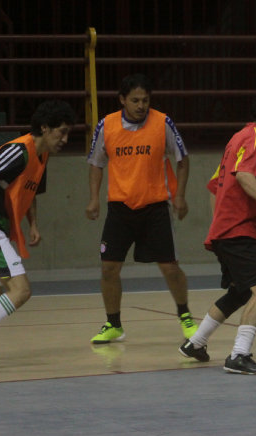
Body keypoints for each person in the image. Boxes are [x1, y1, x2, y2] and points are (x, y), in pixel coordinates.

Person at [0, 100, 76, 372]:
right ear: (45, 128)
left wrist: (33, 224)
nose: (65, 139)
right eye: (62, 132)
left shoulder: (42, 157)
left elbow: (30, 194)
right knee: (21, 290)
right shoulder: (19, 151)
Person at [178, 88, 256, 375]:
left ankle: (195, 342)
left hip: (225, 231)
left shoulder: (237, 139)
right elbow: (244, 176)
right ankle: (239, 355)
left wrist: (218, 224)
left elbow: (214, 184)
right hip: (239, 231)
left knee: (241, 292)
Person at [86, 73, 198, 344]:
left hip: (155, 207)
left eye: (145, 100)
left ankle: (185, 316)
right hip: (120, 209)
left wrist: (180, 195)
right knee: (109, 269)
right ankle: (113, 324)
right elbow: (96, 164)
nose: (140, 105)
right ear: (122, 100)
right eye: (135, 100)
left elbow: (182, 160)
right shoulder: (107, 125)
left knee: (170, 268)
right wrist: (94, 198)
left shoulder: (162, 123)